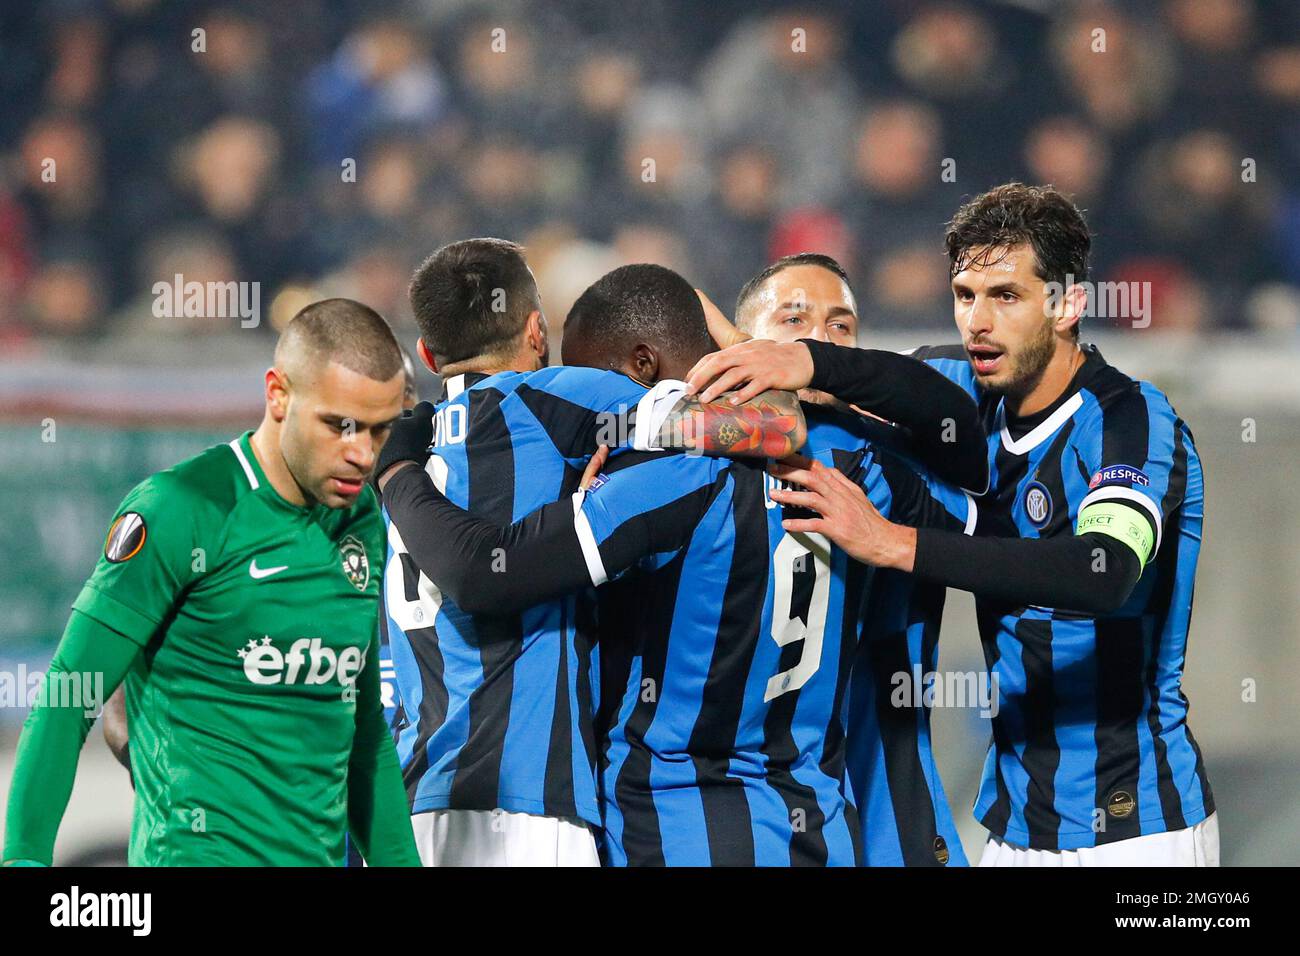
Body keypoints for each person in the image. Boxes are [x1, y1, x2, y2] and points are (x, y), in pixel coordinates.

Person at [377, 263, 980, 865]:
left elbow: (490, 570)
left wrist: (400, 473)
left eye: (836, 327)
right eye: (792, 325)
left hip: (666, 823)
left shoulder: (656, 480)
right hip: (821, 824)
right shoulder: (865, 465)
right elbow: (974, 488)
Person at [687, 184, 1217, 866]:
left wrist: (892, 543)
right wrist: (746, 352)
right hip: (1014, 823)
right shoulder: (966, 389)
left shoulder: (1130, 422)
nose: (978, 323)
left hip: (1137, 826)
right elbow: (854, 394)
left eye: (1006, 296)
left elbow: (1101, 571)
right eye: (965, 295)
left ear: (1069, 304)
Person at [384, 242, 806, 866]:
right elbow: (775, 426)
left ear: (427, 354)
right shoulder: (559, 397)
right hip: (524, 802)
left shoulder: (403, 453)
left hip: (408, 805)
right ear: (537, 330)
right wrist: (740, 341)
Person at [3, 298, 420, 867]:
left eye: (379, 430)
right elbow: (67, 695)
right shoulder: (181, 509)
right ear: (277, 394)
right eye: (339, 426)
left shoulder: (362, 523)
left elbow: (364, 730)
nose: (361, 454)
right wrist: (24, 859)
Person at [732, 252, 972, 865]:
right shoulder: (690, 463)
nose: (818, 339)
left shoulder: (889, 463)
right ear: (745, 342)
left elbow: (953, 420)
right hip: (740, 806)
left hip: (883, 791)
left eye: (841, 327)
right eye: (794, 320)